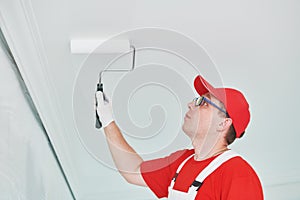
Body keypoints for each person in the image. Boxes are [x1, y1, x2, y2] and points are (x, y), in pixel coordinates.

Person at [95, 75, 264, 199]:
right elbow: (132, 171)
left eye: (203, 103)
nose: (191, 104)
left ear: (223, 123)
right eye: (196, 100)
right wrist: (108, 121)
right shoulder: (182, 162)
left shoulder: (238, 174)